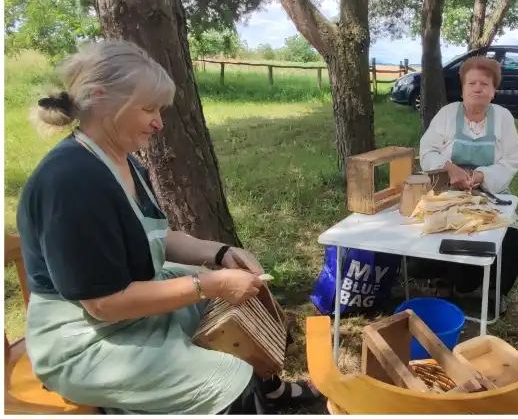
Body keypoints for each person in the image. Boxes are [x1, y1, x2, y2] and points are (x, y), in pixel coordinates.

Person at [16, 41, 321, 413]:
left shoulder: (124, 162)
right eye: (148, 108)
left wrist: (221, 253)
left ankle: (269, 391)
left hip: (130, 310)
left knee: (248, 303)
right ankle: (239, 396)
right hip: (85, 341)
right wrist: (211, 284)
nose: (159, 122)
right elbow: (103, 304)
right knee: (227, 379)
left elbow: (155, 236)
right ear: (99, 98)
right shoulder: (71, 182)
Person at [412, 55, 518, 303]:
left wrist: (482, 175)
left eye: (485, 84)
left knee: (510, 242)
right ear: (462, 88)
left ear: (493, 91)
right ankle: (444, 281)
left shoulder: (503, 118)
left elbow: (511, 160)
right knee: (438, 232)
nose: (477, 89)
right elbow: (427, 150)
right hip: (447, 192)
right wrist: (449, 168)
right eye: (471, 83)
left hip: (488, 194)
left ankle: (495, 292)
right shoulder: (447, 114)